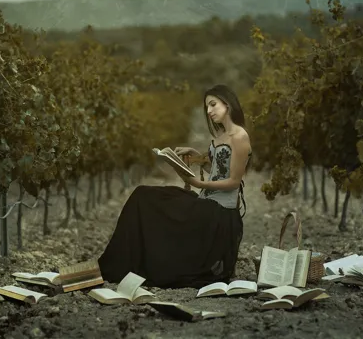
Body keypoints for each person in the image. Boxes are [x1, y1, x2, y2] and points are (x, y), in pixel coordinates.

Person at [97, 84, 252, 288]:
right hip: (207, 203)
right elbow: (219, 167)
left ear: (228, 104)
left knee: (162, 207)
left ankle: (145, 263)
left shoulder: (240, 137)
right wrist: (197, 157)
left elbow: (233, 180)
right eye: (207, 106)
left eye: (213, 105)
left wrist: (197, 183)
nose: (209, 111)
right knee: (143, 194)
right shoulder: (222, 136)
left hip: (220, 214)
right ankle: (125, 261)